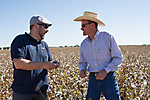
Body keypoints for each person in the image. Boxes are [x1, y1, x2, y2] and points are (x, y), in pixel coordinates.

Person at [74, 11, 123, 100]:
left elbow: (118, 58)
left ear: (92, 25)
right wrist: (82, 70)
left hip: (108, 78)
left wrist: (105, 70)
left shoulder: (107, 37)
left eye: (83, 25)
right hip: (93, 79)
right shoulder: (84, 44)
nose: (81, 28)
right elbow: (82, 62)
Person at [11, 15, 60, 100]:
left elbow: (47, 63)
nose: (47, 30)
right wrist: (44, 64)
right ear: (35, 26)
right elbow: (18, 63)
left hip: (41, 92)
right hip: (23, 92)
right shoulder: (20, 40)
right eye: (45, 26)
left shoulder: (44, 44)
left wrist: (53, 65)